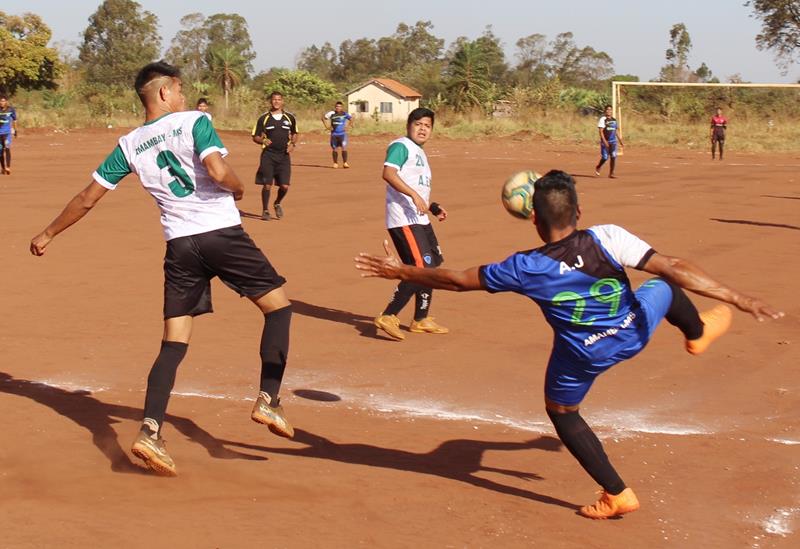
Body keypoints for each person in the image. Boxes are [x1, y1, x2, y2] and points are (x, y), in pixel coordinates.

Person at [356, 169, 783, 518]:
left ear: (534, 221)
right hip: (634, 329)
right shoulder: (607, 238)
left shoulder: (525, 266)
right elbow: (675, 266)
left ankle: (617, 493)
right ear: (579, 211)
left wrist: (402, 272)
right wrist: (738, 298)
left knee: (561, 411)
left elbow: (455, 279)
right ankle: (696, 333)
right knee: (663, 284)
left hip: (583, 355)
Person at [29, 61, 295, 477]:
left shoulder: (130, 143)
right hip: (221, 234)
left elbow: (86, 198)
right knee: (278, 308)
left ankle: (150, 431)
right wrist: (240, 187)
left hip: (180, 247)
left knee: (174, 343)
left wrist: (47, 234)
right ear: (166, 92)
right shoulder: (195, 122)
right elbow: (217, 171)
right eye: (180, 88)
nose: (185, 95)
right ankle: (268, 399)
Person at [371, 108, 450, 341]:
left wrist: (432, 207)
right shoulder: (401, 146)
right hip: (403, 219)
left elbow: (418, 188)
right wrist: (415, 196)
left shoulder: (420, 153)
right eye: (418, 124)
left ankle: (420, 319)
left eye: (427, 125)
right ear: (408, 126)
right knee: (419, 268)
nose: (423, 128)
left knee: (432, 265)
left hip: (420, 218)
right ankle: (388, 315)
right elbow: (389, 173)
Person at [251, 91, 298, 221]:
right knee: (267, 185)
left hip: (284, 156)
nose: (276, 102)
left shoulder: (290, 117)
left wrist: (293, 144)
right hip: (268, 156)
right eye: (274, 99)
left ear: (282, 101)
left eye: (279, 99)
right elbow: (255, 137)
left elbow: (295, 133)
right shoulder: (264, 118)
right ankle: (265, 210)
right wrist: (263, 141)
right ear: (270, 101)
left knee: (285, 186)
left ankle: (277, 203)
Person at [594, 105, 623, 179]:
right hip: (605, 141)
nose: (609, 111)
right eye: (607, 109)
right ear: (605, 110)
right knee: (605, 157)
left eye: (610, 110)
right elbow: (601, 132)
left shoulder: (614, 120)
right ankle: (598, 166)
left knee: (613, 156)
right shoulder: (603, 119)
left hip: (613, 142)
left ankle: (611, 173)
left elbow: (616, 131)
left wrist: (620, 141)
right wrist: (605, 141)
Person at [322, 101, 353, 168]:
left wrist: (348, 126)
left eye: (339, 107)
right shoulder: (331, 114)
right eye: (337, 106)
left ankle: (345, 163)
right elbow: (323, 118)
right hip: (334, 135)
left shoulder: (344, 114)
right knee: (335, 149)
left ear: (342, 107)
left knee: (344, 148)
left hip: (342, 134)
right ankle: (335, 163)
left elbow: (351, 119)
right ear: (335, 107)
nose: (338, 108)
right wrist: (327, 127)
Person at [0, 95, 18, 175]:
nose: (2, 103)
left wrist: (15, 130)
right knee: (0, 151)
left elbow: (15, 120)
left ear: (6, 101)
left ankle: (8, 167)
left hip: (7, 133)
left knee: (7, 148)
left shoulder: (11, 109)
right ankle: (3, 168)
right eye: (0, 101)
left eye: (3, 101)